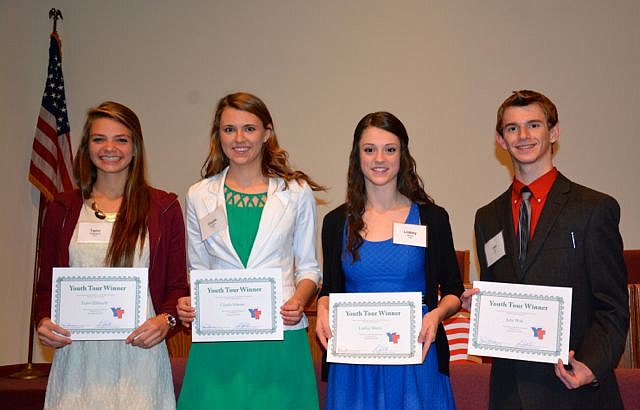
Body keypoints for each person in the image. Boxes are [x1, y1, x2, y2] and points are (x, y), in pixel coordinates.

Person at [466, 90, 629, 409]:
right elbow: (500, 291)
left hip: (574, 388)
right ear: (500, 140)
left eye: (534, 125)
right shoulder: (487, 217)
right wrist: (482, 310)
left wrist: (590, 366)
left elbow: (612, 305)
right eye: (512, 128)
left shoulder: (593, 208)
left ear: (554, 132)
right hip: (509, 392)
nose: (523, 136)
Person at [35, 101, 189, 409]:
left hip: (140, 355)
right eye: (99, 138)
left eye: (121, 139)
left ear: (135, 147)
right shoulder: (61, 209)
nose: (110, 148)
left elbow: (176, 287)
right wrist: (42, 322)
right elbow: (46, 288)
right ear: (87, 146)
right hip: (78, 358)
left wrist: (166, 321)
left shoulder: (164, 208)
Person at [176, 92, 324, 410]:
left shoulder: (296, 192)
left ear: (267, 133)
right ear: (219, 136)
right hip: (219, 336)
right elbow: (198, 269)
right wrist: (191, 303)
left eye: (249, 128)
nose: (239, 138)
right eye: (229, 129)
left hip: (280, 335)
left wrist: (300, 300)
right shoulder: (199, 195)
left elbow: (310, 267)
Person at [316, 111, 464, 410]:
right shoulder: (335, 223)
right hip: (355, 364)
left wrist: (436, 315)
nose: (379, 158)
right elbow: (330, 289)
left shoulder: (431, 219)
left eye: (390, 149)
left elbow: (453, 290)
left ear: (403, 155)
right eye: (369, 149)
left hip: (416, 357)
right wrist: (321, 308)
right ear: (357, 157)